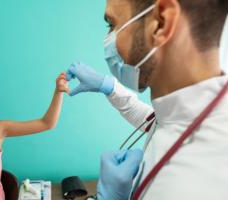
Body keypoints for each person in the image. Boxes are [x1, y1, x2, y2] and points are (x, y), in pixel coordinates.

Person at [66, 0, 228, 199]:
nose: (108, 40)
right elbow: (155, 120)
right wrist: (108, 87)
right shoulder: (186, 112)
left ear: (161, 23)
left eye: (112, 24)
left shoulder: (191, 185)